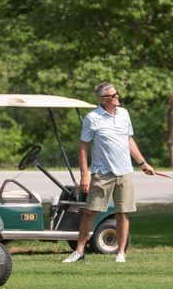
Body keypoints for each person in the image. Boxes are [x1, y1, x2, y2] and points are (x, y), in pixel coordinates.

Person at [64, 82, 154, 264]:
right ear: (103, 99)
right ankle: (79, 252)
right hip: (102, 174)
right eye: (114, 95)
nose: (117, 97)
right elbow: (83, 147)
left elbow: (129, 140)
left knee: (123, 212)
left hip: (125, 173)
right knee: (90, 212)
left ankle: (121, 253)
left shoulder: (124, 114)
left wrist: (143, 163)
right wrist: (84, 175)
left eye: (117, 94)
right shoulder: (92, 118)